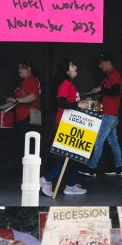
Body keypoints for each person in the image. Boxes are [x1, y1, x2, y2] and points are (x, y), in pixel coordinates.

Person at [39, 58, 90, 197]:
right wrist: (77, 105)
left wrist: (79, 103)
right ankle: (46, 180)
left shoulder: (70, 84)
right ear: (67, 71)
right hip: (64, 124)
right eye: (73, 65)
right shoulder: (66, 84)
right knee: (67, 157)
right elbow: (60, 101)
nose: (76, 66)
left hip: (71, 124)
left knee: (74, 157)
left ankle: (71, 185)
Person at [79, 52, 122, 178]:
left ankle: (91, 169)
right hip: (112, 115)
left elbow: (115, 92)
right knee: (113, 142)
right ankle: (119, 168)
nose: (100, 66)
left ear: (108, 63)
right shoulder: (109, 76)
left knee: (98, 142)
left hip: (109, 115)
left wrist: (101, 90)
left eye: (101, 63)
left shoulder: (114, 75)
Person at [0, 60, 41, 138]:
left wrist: (16, 100)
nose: (19, 70)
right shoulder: (24, 82)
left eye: (22, 68)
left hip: (27, 118)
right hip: (23, 118)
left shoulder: (30, 80)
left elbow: (32, 97)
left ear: (29, 69)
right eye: (19, 68)